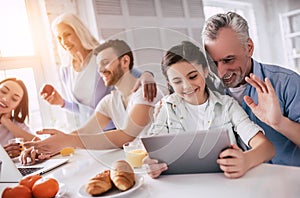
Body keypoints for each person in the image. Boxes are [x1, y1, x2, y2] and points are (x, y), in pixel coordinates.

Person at [143, 41, 275, 179]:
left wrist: (246, 160)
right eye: (177, 81)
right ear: (170, 83)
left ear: (205, 71)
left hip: (226, 184)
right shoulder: (167, 108)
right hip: (183, 187)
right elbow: (153, 153)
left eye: (193, 76)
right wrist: (151, 165)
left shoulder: (227, 106)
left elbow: (267, 148)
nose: (187, 86)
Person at [22, 39, 164, 164]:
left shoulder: (146, 91)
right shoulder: (109, 102)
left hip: (160, 164)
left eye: (105, 63)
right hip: (137, 165)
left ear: (125, 61)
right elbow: (84, 131)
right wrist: (48, 146)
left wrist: (66, 141)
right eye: (98, 65)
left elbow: (125, 136)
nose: (101, 70)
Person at [202, 12, 300, 166]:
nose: (221, 73)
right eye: (213, 63)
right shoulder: (209, 93)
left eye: (228, 60)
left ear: (249, 48)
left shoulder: (287, 83)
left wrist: (280, 123)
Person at [41, 13, 156, 129]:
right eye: (59, 38)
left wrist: (147, 75)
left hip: (117, 129)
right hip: (91, 133)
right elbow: (82, 110)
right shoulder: (66, 70)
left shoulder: (100, 56)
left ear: (79, 32)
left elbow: (133, 73)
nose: (64, 42)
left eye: (67, 35)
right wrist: (61, 102)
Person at [0, 78, 36, 158]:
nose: (5, 99)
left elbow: (41, 145)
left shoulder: (17, 125)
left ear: (16, 106)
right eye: (3, 91)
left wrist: (6, 122)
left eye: (14, 99)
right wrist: (3, 155)